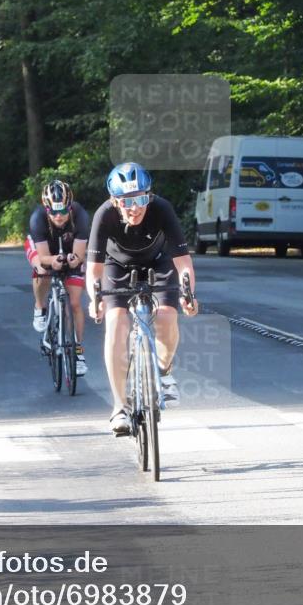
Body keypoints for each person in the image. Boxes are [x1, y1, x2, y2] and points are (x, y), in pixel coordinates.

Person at [86, 162, 198, 435]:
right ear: (115, 200)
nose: (134, 207)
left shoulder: (162, 209)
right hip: (117, 266)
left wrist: (188, 295)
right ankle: (119, 407)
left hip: (158, 263)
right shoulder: (104, 215)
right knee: (116, 322)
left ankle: (163, 369)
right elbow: (94, 269)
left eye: (140, 199)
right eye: (126, 201)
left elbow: (183, 262)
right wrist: (95, 298)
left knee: (167, 316)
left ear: (149, 195)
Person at [25, 180, 90, 376]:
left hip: (70, 250)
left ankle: (78, 352)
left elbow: (79, 256)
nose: (59, 216)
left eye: (63, 211)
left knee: (76, 303)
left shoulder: (81, 216)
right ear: (46, 210)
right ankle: (39, 307)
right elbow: (43, 257)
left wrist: (73, 260)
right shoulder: (38, 219)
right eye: (53, 212)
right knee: (42, 270)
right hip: (45, 251)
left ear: (71, 207)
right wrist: (53, 261)